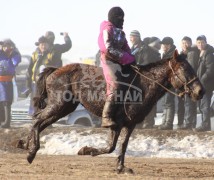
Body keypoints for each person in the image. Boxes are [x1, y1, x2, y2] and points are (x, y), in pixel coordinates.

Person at [98, 6, 135, 128]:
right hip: (108, 59)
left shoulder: (120, 32)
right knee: (116, 84)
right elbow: (107, 48)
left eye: (123, 18)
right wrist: (126, 58)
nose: (122, 21)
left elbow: (126, 47)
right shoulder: (107, 29)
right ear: (114, 18)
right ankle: (106, 116)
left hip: (120, 59)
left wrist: (132, 59)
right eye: (120, 18)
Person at [130, 31, 161, 129]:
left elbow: (146, 63)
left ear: (138, 37)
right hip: (136, 78)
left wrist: (137, 66)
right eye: (130, 37)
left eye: (133, 37)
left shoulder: (145, 48)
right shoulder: (132, 49)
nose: (131, 38)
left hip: (146, 78)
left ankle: (148, 122)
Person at [24, 36, 54, 115]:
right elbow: (29, 70)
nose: (43, 46)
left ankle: (47, 121)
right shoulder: (35, 55)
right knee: (35, 101)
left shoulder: (51, 55)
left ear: (48, 45)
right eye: (41, 45)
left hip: (47, 84)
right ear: (39, 45)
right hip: (36, 83)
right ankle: (35, 118)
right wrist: (28, 85)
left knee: (47, 101)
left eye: (45, 45)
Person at [178, 36, 199, 130]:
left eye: (186, 43)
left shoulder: (192, 53)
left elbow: (191, 68)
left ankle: (189, 123)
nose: (185, 45)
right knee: (187, 103)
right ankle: (189, 123)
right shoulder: (181, 54)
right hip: (183, 82)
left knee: (189, 103)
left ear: (190, 43)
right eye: (183, 43)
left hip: (191, 82)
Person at [194, 35, 214, 132]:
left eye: (202, 42)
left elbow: (210, 70)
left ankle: (205, 125)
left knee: (205, 106)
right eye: (198, 43)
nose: (200, 44)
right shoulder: (200, 53)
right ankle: (204, 124)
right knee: (202, 106)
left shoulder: (209, 54)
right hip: (200, 85)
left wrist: (201, 80)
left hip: (206, 84)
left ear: (206, 43)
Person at [0, 39, 21, 128]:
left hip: (8, 81)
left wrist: (14, 50)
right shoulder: (1, 54)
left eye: (9, 46)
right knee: (1, 102)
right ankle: (2, 120)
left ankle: (7, 122)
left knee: (7, 101)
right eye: (5, 46)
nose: (7, 48)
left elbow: (16, 61)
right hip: (0, 81)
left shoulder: (14, 55)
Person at [158, 37, 178, 130]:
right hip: (165, 81)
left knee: (169, 102)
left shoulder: (172, 54)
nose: (162, 46)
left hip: (170, 82)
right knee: (165, 102)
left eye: (163, 44)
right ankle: (164, 122)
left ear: (168, 45)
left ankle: (168, 123)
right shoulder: (165, 54)